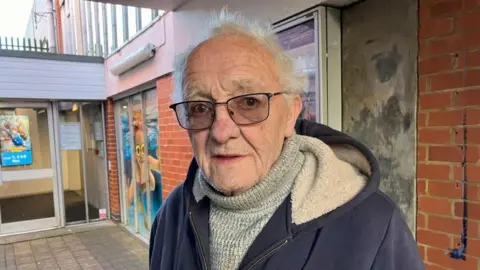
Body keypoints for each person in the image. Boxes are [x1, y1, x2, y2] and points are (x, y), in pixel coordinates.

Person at [149, 10, 424, 270]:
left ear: (291, 114)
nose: (221, 133)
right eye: (199, 108)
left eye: (249, 102)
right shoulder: (169, 217)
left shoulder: (374, 227)